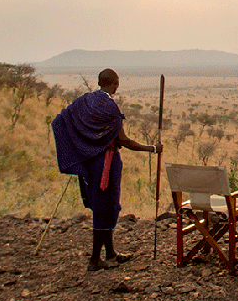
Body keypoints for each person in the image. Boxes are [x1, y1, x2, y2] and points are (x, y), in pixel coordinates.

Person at [52, 68, 162, 271]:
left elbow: (60, 121)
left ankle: (110, 253)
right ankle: (95, 260)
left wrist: (82, 147)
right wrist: (152, 148)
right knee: (105, 207)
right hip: (106, 164)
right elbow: (123, 140)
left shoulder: (86, 100)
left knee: (104, 206)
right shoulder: (110, 106)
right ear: (115, 83)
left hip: (92, 162)